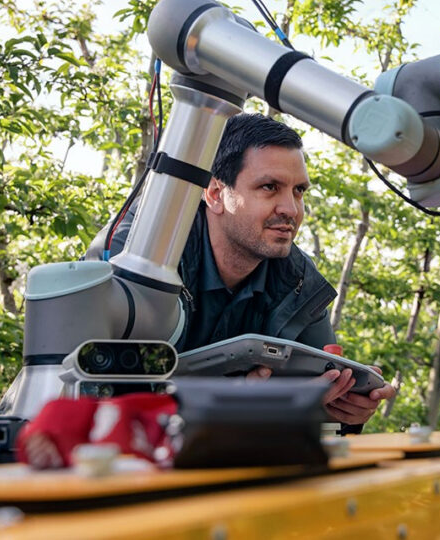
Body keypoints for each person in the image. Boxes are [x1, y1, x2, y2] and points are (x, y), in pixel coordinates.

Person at [87, 113, 396, 428]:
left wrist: (343, 409)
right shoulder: (143, 252)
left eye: (299, 191)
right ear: (215, 194)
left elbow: (319, 394)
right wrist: (238, 405)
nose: (291, 209)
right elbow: (91, 396)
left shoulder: (299, 281)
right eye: (269, 187)